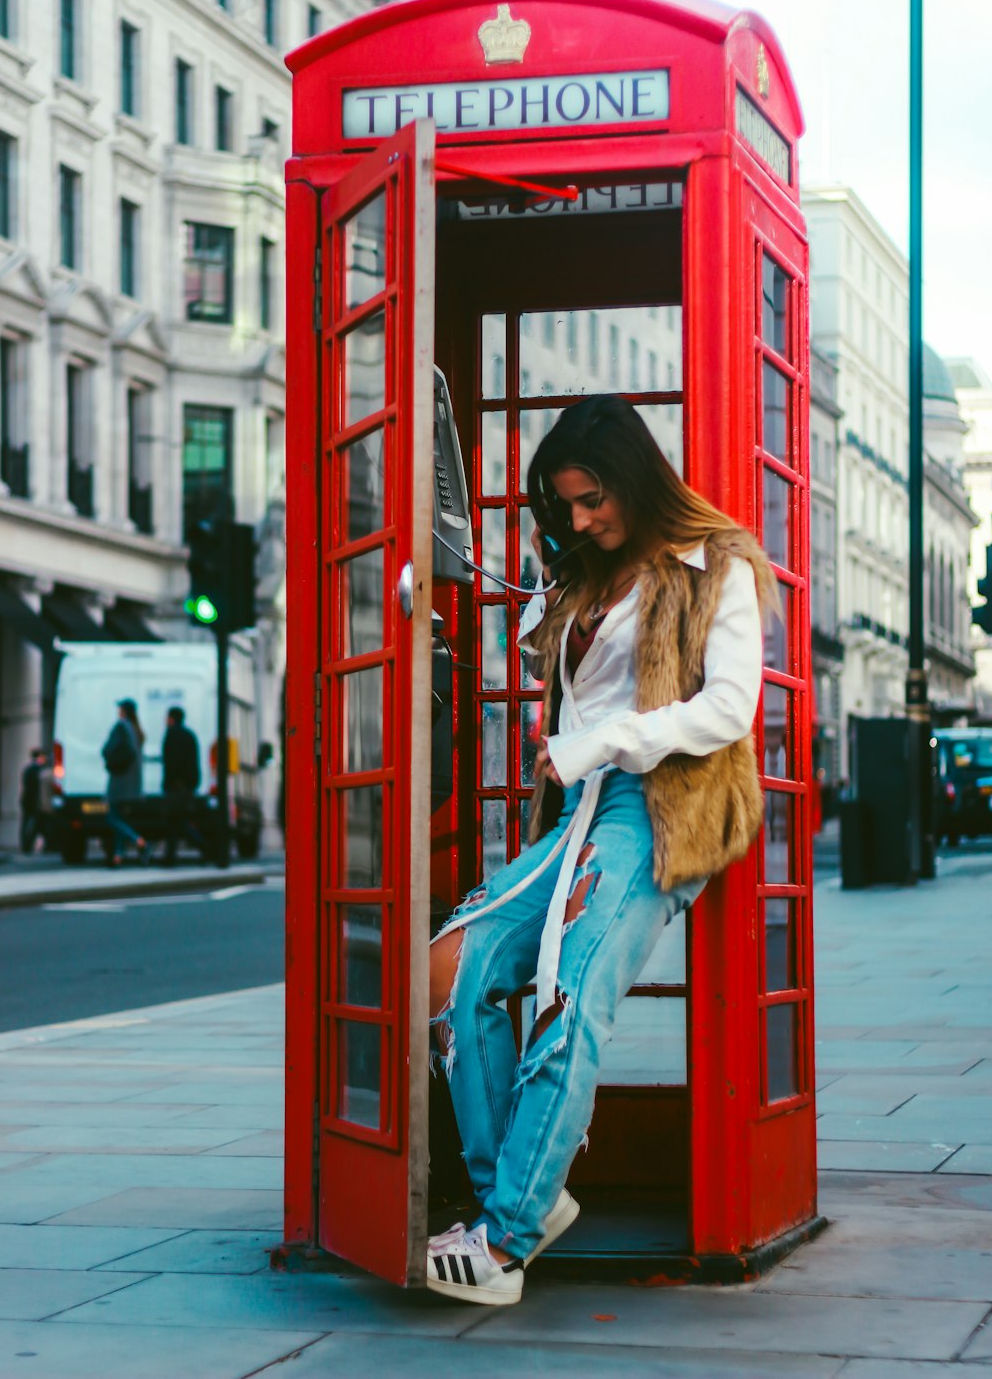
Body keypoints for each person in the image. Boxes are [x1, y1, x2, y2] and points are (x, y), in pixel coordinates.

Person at [426, 395, 776, 1306]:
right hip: (574, 811)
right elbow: (544, 669)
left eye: (592, 500)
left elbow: (728, 710)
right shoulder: (580, 571)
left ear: (632, 478)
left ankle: (502, 1241)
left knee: (569, 995)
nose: (581, 520)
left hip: (660, 804)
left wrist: (598, 743)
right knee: (449, 971)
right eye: (565, 506)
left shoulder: (718, 564)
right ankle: (522, 1195)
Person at [101, 699, 147, 866]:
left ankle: (137, 839)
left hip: (119, 780)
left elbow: (107, 749)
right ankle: (118, 855)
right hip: (132, 783)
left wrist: (109, 759)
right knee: (119, 816)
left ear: (124, 711)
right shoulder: (136, 730)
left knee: (111, 817)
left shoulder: (121, 727)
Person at [161, 706, 203, 865]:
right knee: (176, 821)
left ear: (172, 718)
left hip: (176, 785)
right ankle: (170, 857)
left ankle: (172, 856)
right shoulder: (189, 735)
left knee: (174, 821)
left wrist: (170, 782)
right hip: (186, 784)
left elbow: (171, 762)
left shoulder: (172, 734)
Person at [19, 749, 47, 853]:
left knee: (26, 822)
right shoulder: (38, 769)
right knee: (35, 823)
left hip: (27, 799)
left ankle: (26, 845)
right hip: (34, 800)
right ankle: (27, 845)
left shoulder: (28, 769)